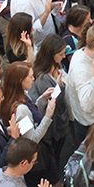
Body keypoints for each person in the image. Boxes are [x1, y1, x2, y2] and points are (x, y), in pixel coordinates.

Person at [0, 62, 57, 187]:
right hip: (36, 157)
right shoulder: (21, 109)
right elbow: (32, 139)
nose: (33, 79)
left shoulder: (12, 95)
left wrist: (41, 100)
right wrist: (48, 116)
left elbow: (31, 116)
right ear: (20, 80)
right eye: (30, 76)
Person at [28, 34, 70, 164]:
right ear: (51, 55)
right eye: (61, 54)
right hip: (53, 126)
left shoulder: (56, 65)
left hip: (60, 120)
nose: (64, 56)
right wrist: (61, 87)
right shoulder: (43, 78)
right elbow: (53, 102)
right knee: (53, 156)